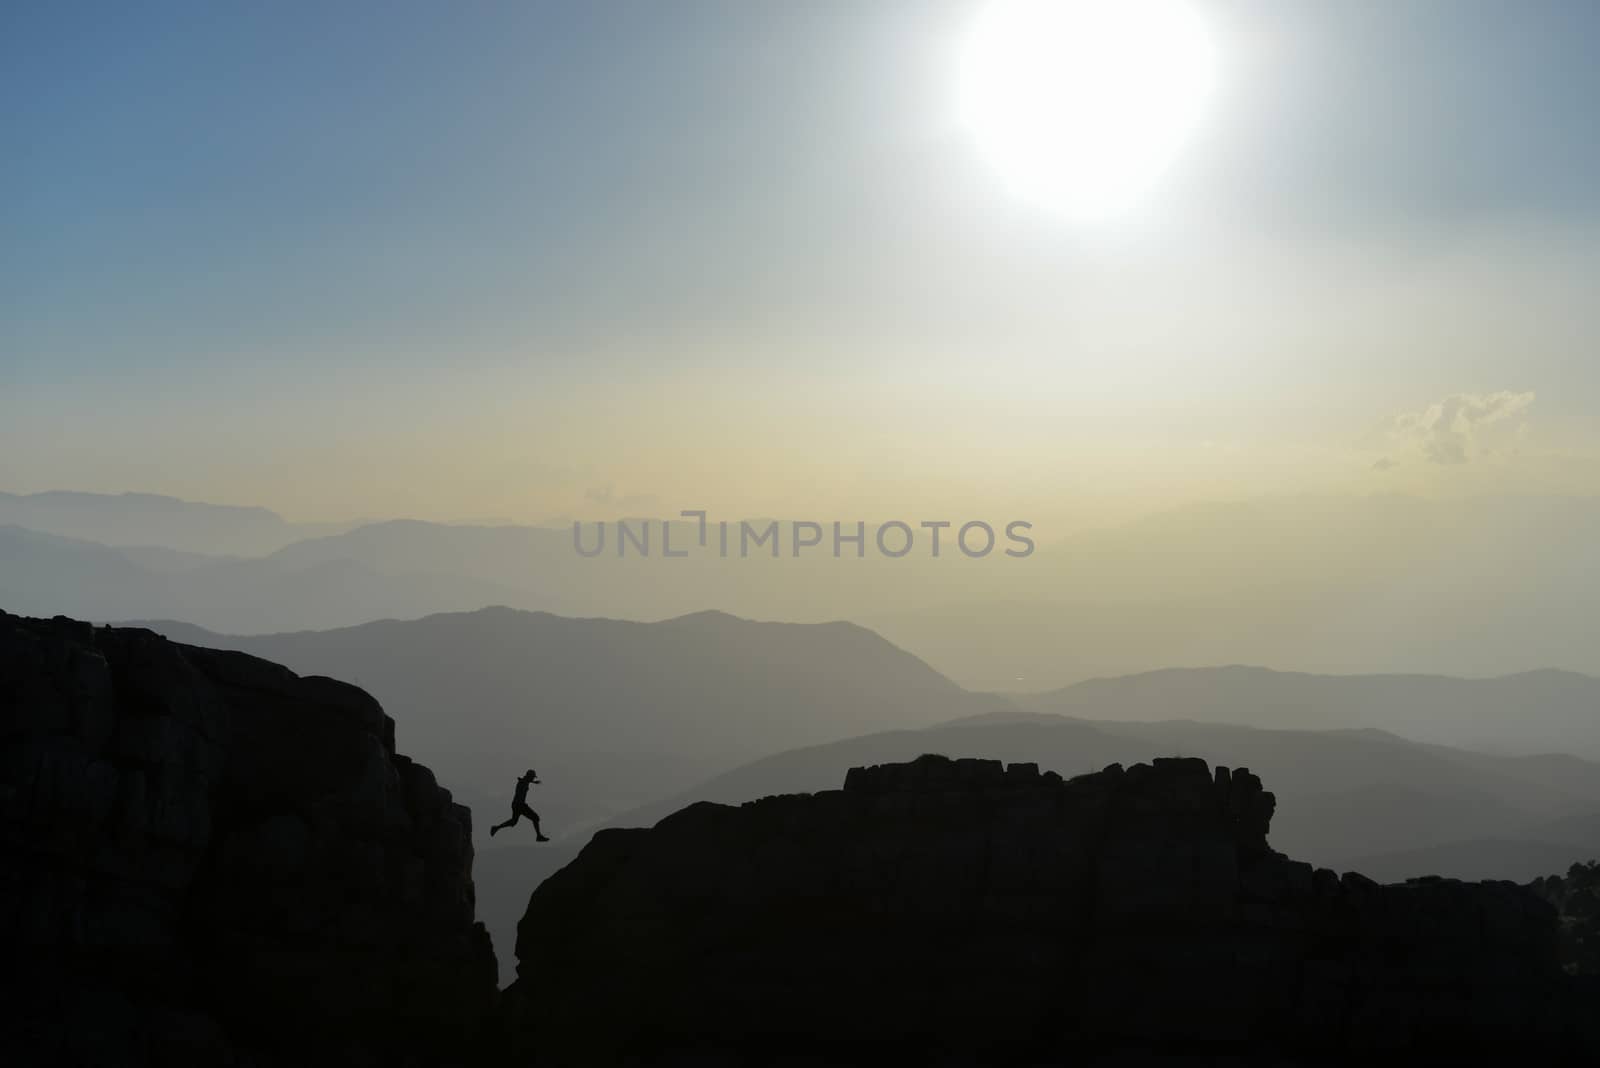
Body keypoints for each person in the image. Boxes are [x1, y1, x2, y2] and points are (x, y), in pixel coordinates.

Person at [489, 768, 549, 840]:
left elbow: (526, 780)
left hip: (516, 804)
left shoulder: (525, 781)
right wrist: (531, 781)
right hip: (520, 805)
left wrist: (533, 782)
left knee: (513, 822)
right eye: (532, 777)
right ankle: (539, 836)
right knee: (535, 818)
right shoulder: (523, 782)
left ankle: (496, 827)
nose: (533, 778)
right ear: (529, 776)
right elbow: (524, 781)